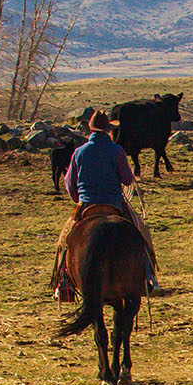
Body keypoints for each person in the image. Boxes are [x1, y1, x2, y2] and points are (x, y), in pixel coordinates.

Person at [51, 111, 157, 299]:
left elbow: (69, 184)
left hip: (87, 205)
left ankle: (64, 282)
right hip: (114, 204)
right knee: (142, 234)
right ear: (108, 130)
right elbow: (127, 179)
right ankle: (148, 276)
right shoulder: (117, 151)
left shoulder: (79, 152)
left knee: (64, 240)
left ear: (91, 130)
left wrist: (77, 198)